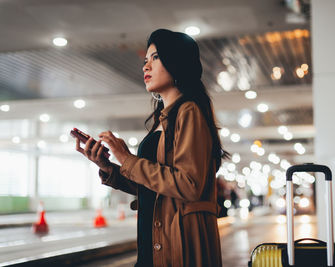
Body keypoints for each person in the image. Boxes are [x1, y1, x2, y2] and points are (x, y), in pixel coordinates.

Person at [75, 29, 229, 267]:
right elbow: (155, 188)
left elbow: (189, 184)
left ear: (177, 61)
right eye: (145, 60)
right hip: (156, 241)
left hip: (180, 243)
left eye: (155, 57)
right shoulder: (163, 119)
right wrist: (109, 167)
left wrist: (127, 159)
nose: (145, 66)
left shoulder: (188, 111)